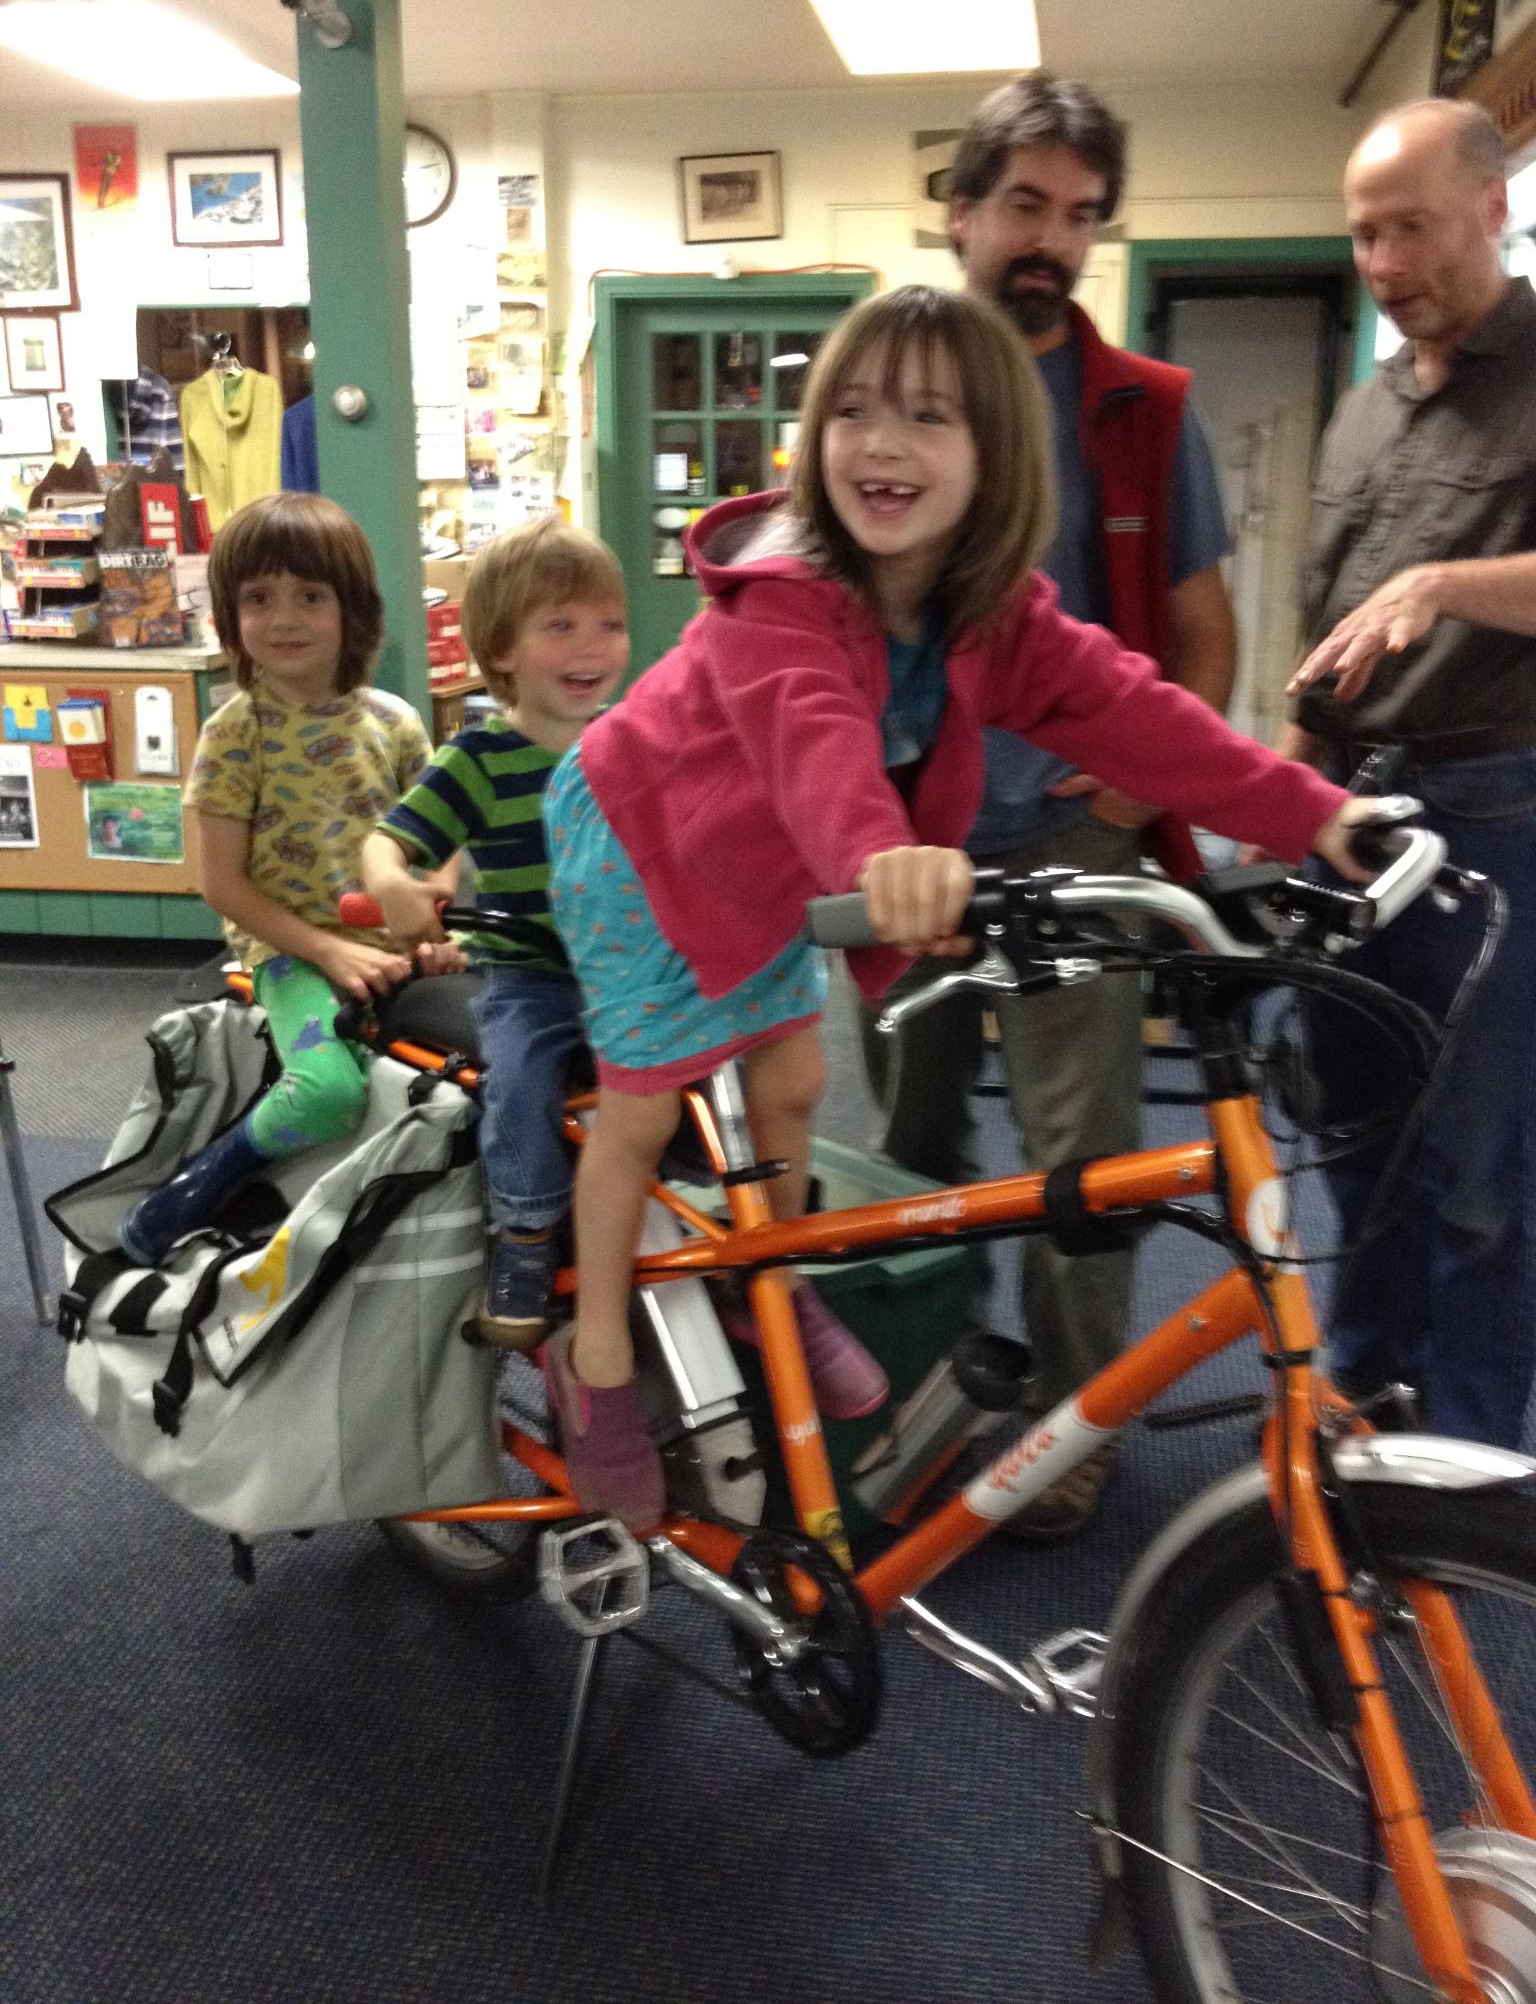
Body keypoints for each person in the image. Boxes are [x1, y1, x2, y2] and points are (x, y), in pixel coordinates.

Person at [540, 283, 1379, 1531]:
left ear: (994, 454)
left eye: (929, 417)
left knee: (790, 1085)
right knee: (643, 1102)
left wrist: (1315, 813)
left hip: (770, 867)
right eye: (857, 413)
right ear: (816, 436)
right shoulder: (786, 591)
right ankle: (596, 1355)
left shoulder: (992, 607)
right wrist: (884, 857)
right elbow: (812, 734)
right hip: (643, 838)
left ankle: (773, 1277)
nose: (883, 445)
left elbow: (1135, 708)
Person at [861, 71, 1238, 1539]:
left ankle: (1073, 1428)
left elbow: (1201, 629)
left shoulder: (1145, 410)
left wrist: (1145, 777)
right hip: (906, 839)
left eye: (1081, 216)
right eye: (1024, 203)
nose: (1052, 241)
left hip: (1077, 838)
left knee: (1084, 1160)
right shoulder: (885, 389)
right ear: (957, 210)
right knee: (913, 1137)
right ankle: (913, 1390)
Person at [1283, 97, 1536, 1452]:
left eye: (1411, 227)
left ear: (1493, 208)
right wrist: (1290, 790)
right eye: (1364, 234)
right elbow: (1327, 626)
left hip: (1501, 810)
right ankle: (1369, 1406)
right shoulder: (1364, 411)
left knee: (1482, 1167)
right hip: (1352, 815)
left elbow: (1429, 596)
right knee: (1359, 1132)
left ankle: (1483, 1459)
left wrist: (1451, 582)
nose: (1382, 263)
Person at [118, 492, 451, 1265]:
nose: (285, 618)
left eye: (310, 595)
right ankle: (202, 1182)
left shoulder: (397, 722)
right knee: (333, 1091)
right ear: (232, 616)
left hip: (395, 945)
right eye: (259, 598)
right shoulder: (237, 733)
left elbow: (436, 848)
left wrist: (431, 925)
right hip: (292, 955)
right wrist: (328, 953)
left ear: (351, 610)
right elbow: (222, 884)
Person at [360, 517, 630, 1351]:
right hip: (532, 974)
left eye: (609, 625)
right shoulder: (476, 758)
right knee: (517, 1081)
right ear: (502, 650)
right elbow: (385, 842)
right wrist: (392, 886)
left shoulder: (636, 739)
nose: (592, 646)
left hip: (635, 968)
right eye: (561, 626)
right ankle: (524, 1233)